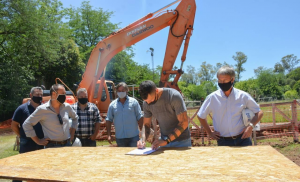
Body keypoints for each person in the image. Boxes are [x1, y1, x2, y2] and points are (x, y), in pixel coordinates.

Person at [197, 66, 264, 146]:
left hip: (243, 139)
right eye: (219, 80)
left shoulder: (243, 96)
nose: (222, 83)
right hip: (223, 142)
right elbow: (201, 116)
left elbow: (259, 112)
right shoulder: (212, 98)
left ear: (232, 80)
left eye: (225, 80)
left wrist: (250, 127)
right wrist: (210, 132)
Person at [137, 80, 191, 150]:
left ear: (156, 91)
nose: (149, 104)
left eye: (151, 100)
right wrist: (143, 139)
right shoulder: (146, 103)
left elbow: (184, 122)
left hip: (182, 141)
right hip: (164, 141)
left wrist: (166, 140)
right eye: (147, 101)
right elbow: (146, 125)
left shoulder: (173, 96)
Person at [23, 84, 78, 148]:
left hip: (67, 145)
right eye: (63, 93)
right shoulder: (42, 109)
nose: (65, 96)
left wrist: (72, 133)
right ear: (54, 94)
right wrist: (38, 141)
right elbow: (27, 124)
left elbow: (75, 118)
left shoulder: (67, 107)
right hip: (51, 146)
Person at [11, 87, 44, 182]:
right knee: (24, 166)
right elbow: (14, 125)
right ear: (31, 95)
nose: (39, 97)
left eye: (41, 95)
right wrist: (21, 135)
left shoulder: (44, 108)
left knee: (38, 166)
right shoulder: (22, 108)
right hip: (27, 142)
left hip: (40, 141)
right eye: (37, 95)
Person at [106, 82, 143, 147]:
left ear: (127, 91)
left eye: (123, 90)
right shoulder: (112, 105)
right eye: (119, 91)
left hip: (133, 137)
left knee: (135, 155)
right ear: (116, 92)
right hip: (120, 138)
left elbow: (140, 117)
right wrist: (108, 135)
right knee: (122, 156)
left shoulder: (134, 102)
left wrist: (143, 133)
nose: (121, 92)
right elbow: (109, 119)